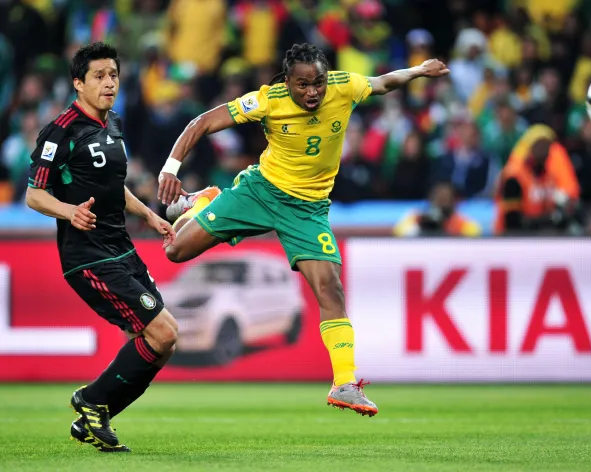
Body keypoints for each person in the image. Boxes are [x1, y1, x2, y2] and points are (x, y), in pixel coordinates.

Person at [157, 43, 450, 417]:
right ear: (287, 81)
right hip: (259, 192)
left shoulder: (344, 86)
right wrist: (170, 169)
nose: (312, 92)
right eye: (302, 85)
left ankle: (345, 383)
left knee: (331, 286)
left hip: (308, 209)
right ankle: (206, 200)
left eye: (318, 83)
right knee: (175, 251)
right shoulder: (267, 100)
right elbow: (201, 123)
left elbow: (382, 82)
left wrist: (419, 70)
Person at [25, 42, 178, 452]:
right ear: (78, 83)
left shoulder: (114, 125)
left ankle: (92, 416)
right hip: (88, 255)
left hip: (122, 247)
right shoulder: (61, 130)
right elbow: (34, 195)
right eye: (99, 75)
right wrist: (69, 211)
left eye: (113, 74)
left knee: (157, 344)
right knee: (163, 332)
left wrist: (149, 215)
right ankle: (92, 400)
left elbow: (116, 188)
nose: (109, 82)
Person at [393, 181, 482, 238]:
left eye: (445, 200)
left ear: (453, 202)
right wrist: (421, 227)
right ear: (431, 199)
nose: (441, 204)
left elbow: (475, 231)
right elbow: (398, 231)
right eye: (438, 199)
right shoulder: (417, 216)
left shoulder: (461, 221)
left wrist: (446, 228)